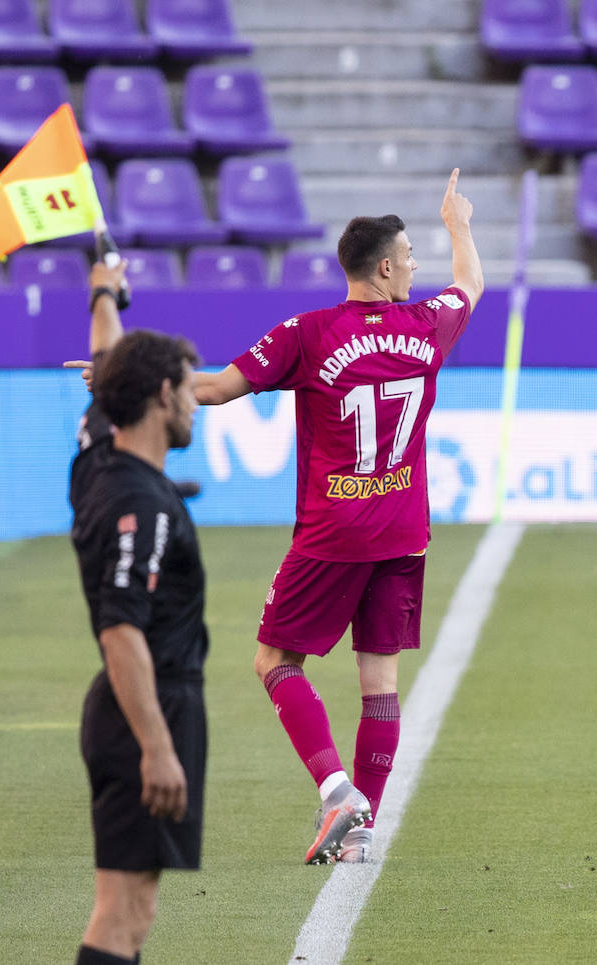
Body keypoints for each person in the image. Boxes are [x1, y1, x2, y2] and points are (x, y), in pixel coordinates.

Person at [192, 168, 484, 864]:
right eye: (410, 255)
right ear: (384, 268)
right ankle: (363, 828)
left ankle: (337, 793)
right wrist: (458, 225)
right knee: (378, 682)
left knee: (273, 659)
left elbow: (212, 389)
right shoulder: (427, 325)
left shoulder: (309, 333)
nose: (416, 265)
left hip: (335, 532)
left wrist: (128, 376)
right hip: (404, 531)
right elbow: (471, 283)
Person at [69, 257, 209, 963]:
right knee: (123, 912)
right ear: (162, 393)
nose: (196, 402)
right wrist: (157, 744)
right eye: (189, 389)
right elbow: (119, 625)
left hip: (133, 706)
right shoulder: (140, 504)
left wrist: (104, 289)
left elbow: (105, 356)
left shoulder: (99, 455)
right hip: (145, 707)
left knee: (134, 904)